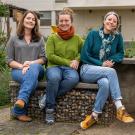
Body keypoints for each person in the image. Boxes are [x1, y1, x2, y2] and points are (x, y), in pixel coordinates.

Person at [80, 11, 134, 129]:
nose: (111, 22)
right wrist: (101, 64)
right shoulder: (93, 34)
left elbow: (120, 53)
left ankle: (94, 115)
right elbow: (84, 55)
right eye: (109, 19)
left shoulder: (118, 37)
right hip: (87, 69)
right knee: (111, 71)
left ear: (117, 25)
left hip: (102, 73)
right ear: (104, 21)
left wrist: (110, 61)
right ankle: (119, 107)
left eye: (115, 21)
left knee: (105, 83)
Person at [40, 8, 83, 124]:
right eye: (61, 21)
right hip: (54, 66)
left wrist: (77, 60)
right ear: (58, 22)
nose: (64, 23)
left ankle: (47, 96)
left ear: (71, 22)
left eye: (66, 21)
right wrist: (68, 62)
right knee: (54, 78)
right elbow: (50, 56)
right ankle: (49, 109)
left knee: (74, 79)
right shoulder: (52, 37)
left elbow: (84, 52)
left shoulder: (77, 38)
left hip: (70, 69)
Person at [6, 10, 46, 122]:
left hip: (37, 69)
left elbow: (44, 59)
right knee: (31, 79)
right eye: (28, 18)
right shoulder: (14, 38)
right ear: (23, 20)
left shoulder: (40, 39)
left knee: (33, 70)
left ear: (35, 23)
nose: (31, 21)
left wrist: (30, 64)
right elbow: (8, 60)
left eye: (33, 19)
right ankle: (19, 112)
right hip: (18, 70)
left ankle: (21, 100)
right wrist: (22, 66)